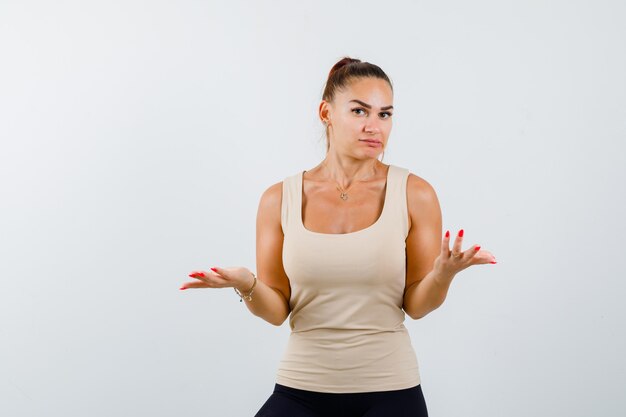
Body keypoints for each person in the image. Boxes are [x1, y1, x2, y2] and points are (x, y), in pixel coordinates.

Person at [180, 57, 497, 417]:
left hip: (391, 390)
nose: (374, 126)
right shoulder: (278, 199)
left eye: (384, 114)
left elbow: (417, 306)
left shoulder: (415, 193)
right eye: (360, 111)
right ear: (326, 112)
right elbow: (277, 311)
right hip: (301, 389)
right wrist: (247, 283)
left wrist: (444, 274)